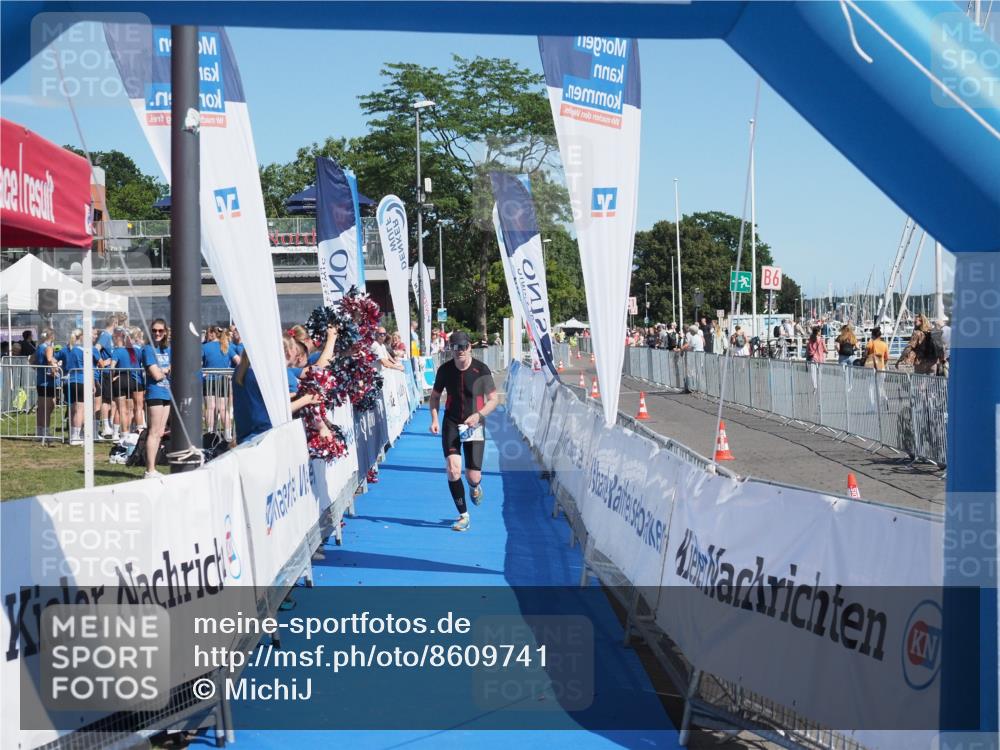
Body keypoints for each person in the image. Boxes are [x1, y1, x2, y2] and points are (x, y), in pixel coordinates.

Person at [429, 331, 499, 532]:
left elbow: (494, 399)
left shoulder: (481, 369)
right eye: (455, 347)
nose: (459, 351)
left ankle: (475, 487)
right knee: (453, 469)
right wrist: (434, 419)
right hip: (451, 422)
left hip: (474, 424)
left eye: (463, 347)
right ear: (450, 348)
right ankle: (463, 515)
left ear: (470, 347)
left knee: (473, 476)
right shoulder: (445, 370)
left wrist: (478, 416)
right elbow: (434, 397)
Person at [141, 319, 172, 478]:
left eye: (160, 330)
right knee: (153, 432)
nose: (157, 333)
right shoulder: (148, 349)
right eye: (154, 330)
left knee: (160, 432)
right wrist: (166, 369)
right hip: (155, 393)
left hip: (167, 393)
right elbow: (157, 375)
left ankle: (153, 468)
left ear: (165, 331)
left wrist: (165, 370)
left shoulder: (168, 349)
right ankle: (149, 470)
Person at [55, 328, 97, 446]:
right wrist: (93, 384)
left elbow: (57, 359)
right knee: (80, 410)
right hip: (81, 381)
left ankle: (74, 435)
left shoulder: (69, 349)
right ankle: (76, 436)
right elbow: (90, 369)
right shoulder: (83, 350)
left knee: (73, 409)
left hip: (70, 382)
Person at [202, 325, 236, 440]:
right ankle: (228, 436)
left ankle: (211, 436)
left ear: (211, 333)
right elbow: (238, 360)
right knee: (223, 409)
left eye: (207, 333)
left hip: (209, 380)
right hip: (223, 380)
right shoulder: (226, 346)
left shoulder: (205, 347)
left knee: (210, 408)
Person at [33, 328, 58, 445]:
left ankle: (39, 432)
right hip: (48, 382)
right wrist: (54, 371)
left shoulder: (39, 347)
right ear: (51, 336)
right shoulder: (48, 347)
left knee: (42, 408)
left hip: (40, 381)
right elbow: (49, 360)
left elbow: (31, 360)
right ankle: (46, 433)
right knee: (47, 408)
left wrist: (38, 369)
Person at [127, 327, 148, 435]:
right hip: (137, 379)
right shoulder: (139, 350)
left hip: (127, 379)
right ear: (137, 337)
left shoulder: (127, 349)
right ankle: (140, 429)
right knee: (139, 406)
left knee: (130, 408)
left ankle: (130, 429)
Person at [806, 326, 827, 391]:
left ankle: (815, 386)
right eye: (820, 331)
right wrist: (826, 351)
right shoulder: (821, 339)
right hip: (820, 358)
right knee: (819, 373)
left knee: (813, 373)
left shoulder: (811, 339)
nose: (821, 332)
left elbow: (808, 348)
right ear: (818, 332)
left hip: (813, 358)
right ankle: (819, 385)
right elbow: (825, 349)